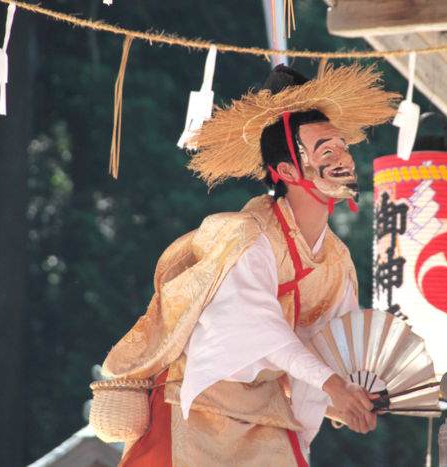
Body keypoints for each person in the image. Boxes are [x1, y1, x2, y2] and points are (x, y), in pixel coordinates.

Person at [99, 64, 398, 466]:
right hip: (197, 407)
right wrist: (333, 384)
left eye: (344, 146)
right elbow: (258, 329)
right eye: (327, 150)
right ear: (288, 171)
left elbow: (332, 349)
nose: (344, 158)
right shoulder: (248, 235)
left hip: (269, 414)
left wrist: (345, 396)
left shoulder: (337, 262)